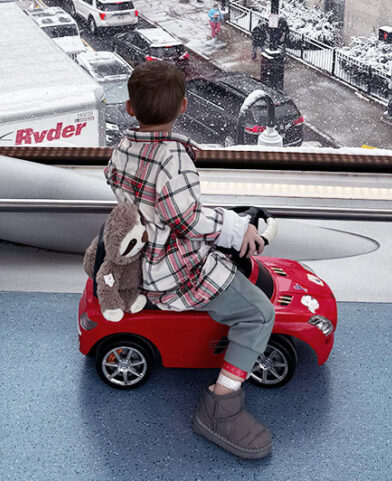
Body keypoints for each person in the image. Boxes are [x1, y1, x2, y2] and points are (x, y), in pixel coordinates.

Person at [104, 61, 275, 460]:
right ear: (183, 107)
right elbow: (187, 219)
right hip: (174, 270)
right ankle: (220, 404)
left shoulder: (122, 148)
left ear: (130, 109)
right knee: (260, 313)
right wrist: (236, 228)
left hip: (142, 259)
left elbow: (133, 192)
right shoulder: (172, 160)